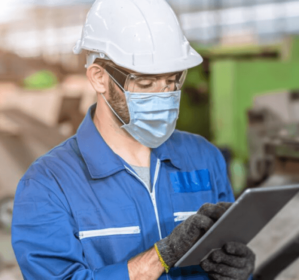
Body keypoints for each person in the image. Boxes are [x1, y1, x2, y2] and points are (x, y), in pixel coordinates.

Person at [11, 0, 255, 279]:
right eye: (146, 83)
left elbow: (227, 248)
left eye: (172, 81)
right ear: (99, 78)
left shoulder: (203, 157)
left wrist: (238, 272)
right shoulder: (48, 184)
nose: (164, 95)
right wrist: (159, 258)